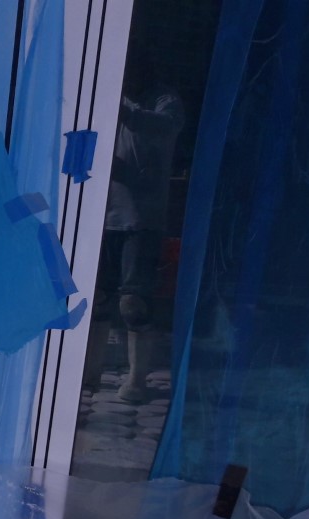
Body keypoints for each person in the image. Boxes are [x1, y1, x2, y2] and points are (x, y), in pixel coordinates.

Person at [85, 48, 184, 403]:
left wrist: (124, 110)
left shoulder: (164, 102)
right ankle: (89, 373)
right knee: (97, 297)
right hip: (104, 213)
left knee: (133, 302)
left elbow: (161, 126)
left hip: (141, 219)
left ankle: (137, 379)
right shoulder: (113, 98)